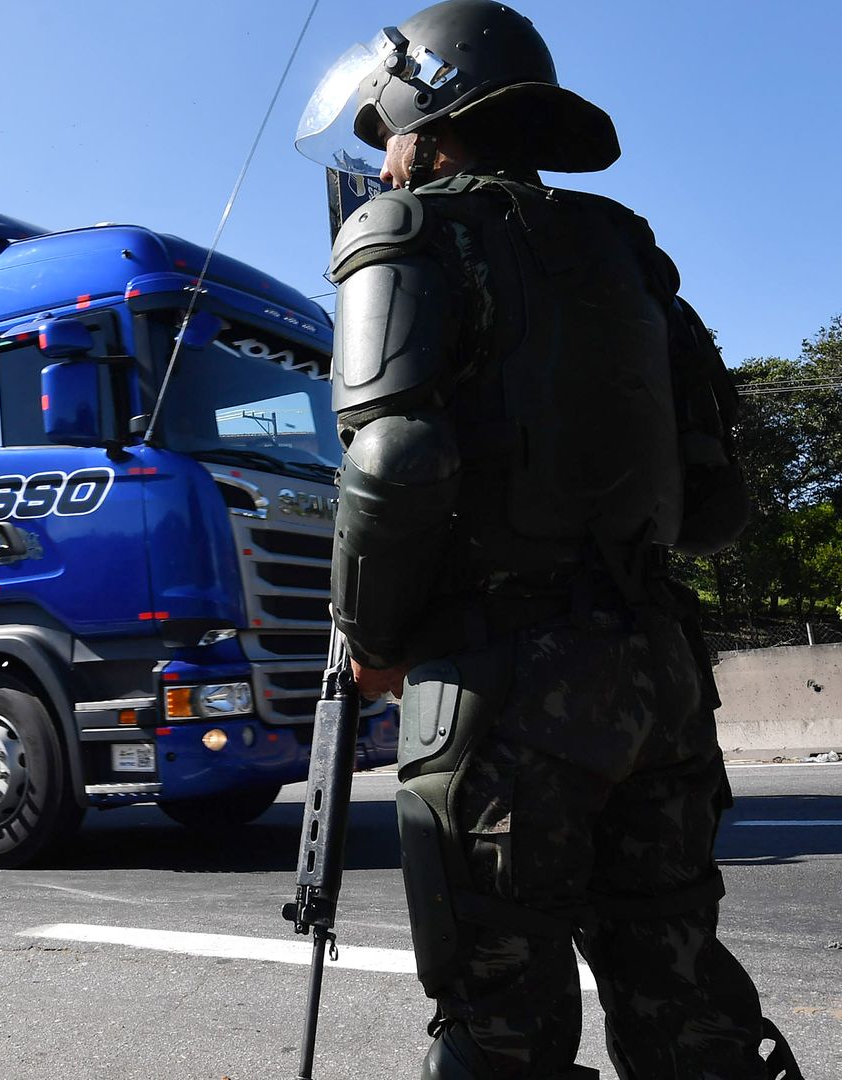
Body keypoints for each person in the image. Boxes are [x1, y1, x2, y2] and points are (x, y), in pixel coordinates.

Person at [295, 3, 802, 1078]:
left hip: (504, 695)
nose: (380, 158)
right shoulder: (629, 256)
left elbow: (392, 464)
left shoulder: (408, 231)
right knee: (685, 1009)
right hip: (659, 684)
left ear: (424, 119)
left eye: (384, 132)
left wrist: (371, 633)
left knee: (501, 1027)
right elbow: (716, 509)